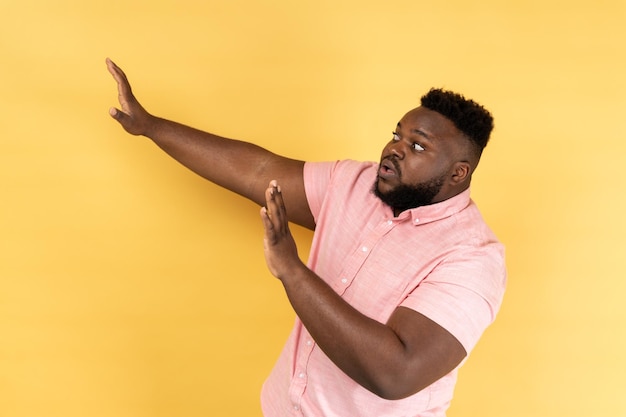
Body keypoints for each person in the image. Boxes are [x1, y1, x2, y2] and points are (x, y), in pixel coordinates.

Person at [106, 57, 506, 417]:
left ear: (458, 173)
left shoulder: (473, 259)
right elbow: (258, 170)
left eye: (417, 146)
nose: (393, 150)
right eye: (396, 134)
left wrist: (292, 272)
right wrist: (150, 127)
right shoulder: (355, 183)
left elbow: (396, 373)